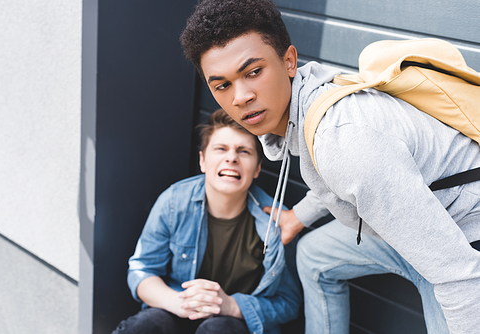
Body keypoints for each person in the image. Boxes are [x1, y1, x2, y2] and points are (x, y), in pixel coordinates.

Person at [180, 1, 480, 333]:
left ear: (289, 61)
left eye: (253, 72)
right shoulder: (312, 107)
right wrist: (297, 217)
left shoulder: (343, 141)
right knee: (314, 257)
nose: (241, 96)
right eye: (222, 85)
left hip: (463, 238)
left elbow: (459, 273)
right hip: (415, 214)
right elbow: (350, 181)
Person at [113, 109, 301, 334]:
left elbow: (289, 303)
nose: (231, 158)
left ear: (258, 168)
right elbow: (142, 270)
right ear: (202, 160)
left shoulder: (278, 222)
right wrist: (179, 303)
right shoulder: (174, 202)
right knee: (146, 325)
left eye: (244, 151)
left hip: (234, 326)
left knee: (217, 329)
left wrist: (231, 306)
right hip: (177, 312)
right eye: (221, 149)